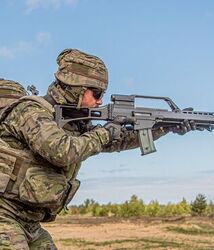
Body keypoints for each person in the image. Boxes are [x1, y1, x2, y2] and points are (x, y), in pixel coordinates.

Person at [0, 48, 192, 249]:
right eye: (97, 93)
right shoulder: (30, 111)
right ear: (76, 88)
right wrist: (106, 132)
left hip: (29, 221)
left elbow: (115, 141)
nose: (100, 101)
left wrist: (162, 128)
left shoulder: (74, 123)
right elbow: (61, 151)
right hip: (5, 214)